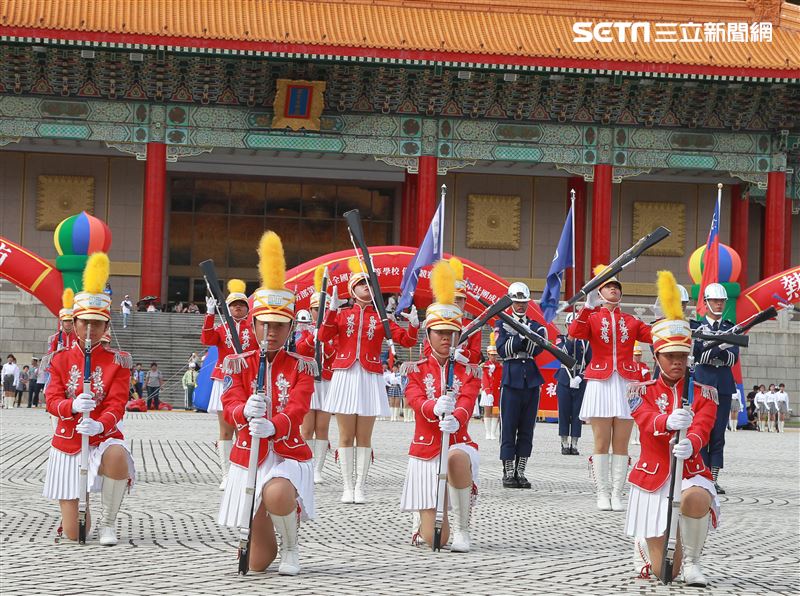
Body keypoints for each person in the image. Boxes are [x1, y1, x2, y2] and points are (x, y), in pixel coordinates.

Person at [217, 230, 315, 576]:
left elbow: (299, 406)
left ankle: (292, 547)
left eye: (279, 325)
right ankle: (268, 536)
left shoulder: (301, 365)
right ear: (254, 325)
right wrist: (242, 412)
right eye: (265, 325)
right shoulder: (238, 362)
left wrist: (275, 423)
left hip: (286, 452)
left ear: (290, 328)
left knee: (276, 493)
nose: (271, 332)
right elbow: (229, 400)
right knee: (257, 565)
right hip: (249, 456)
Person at [625, 272, 719, 587]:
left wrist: (691, 441)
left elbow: (704, 426)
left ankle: (694, 562)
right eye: (670, 356)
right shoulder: (641, 391)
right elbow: (644, 420)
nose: (677, 362)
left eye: (682, 356)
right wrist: (666, 422)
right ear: (657, 356)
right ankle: (644, 544)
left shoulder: (704, 392)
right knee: (663, 572)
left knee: (696, 495)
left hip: (689, 470)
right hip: (655, 476)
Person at [43, 252, 134, 546]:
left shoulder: (118, 362)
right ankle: (73, 513)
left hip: (100, 437)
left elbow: (117, 404)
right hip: (69, 440)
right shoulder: (59, 359)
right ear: (75, 322)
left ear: (106, 327)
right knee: (76, 533)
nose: (90, 330)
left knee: (118, 455)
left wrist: (99, 424)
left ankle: (109, 523)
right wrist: (71, 406)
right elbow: (51, 399)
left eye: (97, 323)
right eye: (85, 323)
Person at [318, 257, 420, 504]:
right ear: (352, 290)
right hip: (344, 375)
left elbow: (406, 341)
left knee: (364, 436)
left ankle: (360, 487)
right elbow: (322, 335)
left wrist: (414, 326)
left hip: (370, 375)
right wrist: (331, 310)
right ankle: (346, 486)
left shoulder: (381, 318)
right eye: (361, 283)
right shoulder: (342, 315)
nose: (367, 286)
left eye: (369, 283)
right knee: (345, 435)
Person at [400, 259, 481, 552]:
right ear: (429, 334)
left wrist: (457, 417)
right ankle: (426, 519)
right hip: (426, 449)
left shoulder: (468, 370)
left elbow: (469, 401)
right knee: (436, 539)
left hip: (457, 442)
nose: (447, 338)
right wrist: (433, 407)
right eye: (440, 333)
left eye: (452, 333)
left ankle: (463, 529)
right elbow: (413, 398)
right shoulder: (416, 369)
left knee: (457, 457)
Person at [568, 266, 652, 511]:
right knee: (601, 441)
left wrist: (664, 318)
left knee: (622, 443)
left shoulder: (631, 320)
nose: (614, 289)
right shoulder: (592, 317)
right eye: (608, 286)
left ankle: (618, 493)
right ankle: (602, 493)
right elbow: (574, 333)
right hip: (600, 382)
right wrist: (586, 306)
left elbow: (653, 336)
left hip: (626, 382)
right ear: (600, 292)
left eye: (617, 287)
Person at [201, 279, 254, 490]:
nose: (237, 307)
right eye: (233, 305)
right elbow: (206, 340)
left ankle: (242, 470)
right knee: (225, 431)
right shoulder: (222, 328)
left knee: (245, 428)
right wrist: (210, 314)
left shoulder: (254, 327)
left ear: (247, 307)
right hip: (225, 379)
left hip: (247, 381)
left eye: (241, 304)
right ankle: (226, 473)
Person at [495, 282, 547, 489]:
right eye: (517, 302)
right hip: (511, 378)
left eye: (524, 302)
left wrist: (527, 335)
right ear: (511, 302)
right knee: (508, 428)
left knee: (527, 428)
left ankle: (520, 471)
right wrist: (520, 336)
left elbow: (537, 349)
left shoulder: (535, 326)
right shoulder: (502, 324)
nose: (520, 306)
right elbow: (502, 350)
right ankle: (508, 471)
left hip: (531, 380)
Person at [689, 283, 739, 494]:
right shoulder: (696, 327)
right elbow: (698, 356)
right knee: (702, 429)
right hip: (703, 382)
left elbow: (732, 358)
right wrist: (719, 347)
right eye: (715, 301)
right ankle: (701, 474)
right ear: (706, 303)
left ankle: (714, 477)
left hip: (724, 385)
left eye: (721, 301)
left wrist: (714, 350)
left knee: (718, 432)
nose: (719, 304)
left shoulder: (731, 328)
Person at [294, 270, 338, 484]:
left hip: (327, 381)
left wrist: (325, 337)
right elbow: (300, 350)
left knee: (323, 427)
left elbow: (334, 354)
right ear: (310, 310)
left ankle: (318, 470)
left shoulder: (334, 331)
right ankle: (304, 466)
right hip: (308, 380)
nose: (317, 312)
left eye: (322, 309)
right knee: (307, 427)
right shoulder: (304, 329)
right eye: (315, 309)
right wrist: (314, 336)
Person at [555, 313, 591, 455]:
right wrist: (571, 336)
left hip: (579, 380)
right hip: (564, 378)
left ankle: (574, 443)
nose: (573, 327)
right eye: (571, 325)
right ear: (566, 326)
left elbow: (590, 362)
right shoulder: (561, 339)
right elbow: (562, 354)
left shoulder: (586, 342)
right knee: (564, 412)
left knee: (577, 413)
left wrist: (581, 377)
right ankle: (564, 442)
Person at [479, 332, 503, 440]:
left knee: (496, 412)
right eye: (491, 354)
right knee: (487, 411)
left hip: (497, 391)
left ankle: (493, 432)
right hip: (487, 391)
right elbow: (485, 380)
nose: (493, 356)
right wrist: (488, 392)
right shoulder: (484, 366)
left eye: (495, 354)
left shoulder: (500, 366)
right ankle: (487, 432)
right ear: (488, 355)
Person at [629, 342, 651, 446]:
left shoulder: (644, 366)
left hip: (640, 393)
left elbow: (648, 380)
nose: (638, 357)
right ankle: (632, 437)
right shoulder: (629, 365)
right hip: (631, 393)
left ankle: (638, 437)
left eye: (639, 355)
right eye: (636, 355)